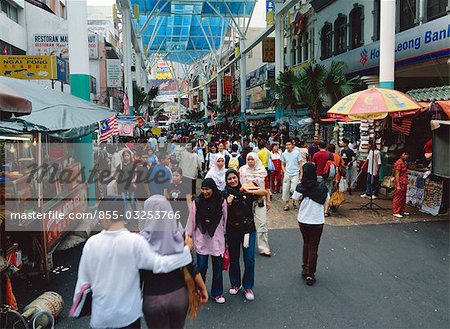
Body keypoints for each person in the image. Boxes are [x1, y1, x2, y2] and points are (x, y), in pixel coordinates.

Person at [73, 196, 193, 329]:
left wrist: (82, 308)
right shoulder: (135, 242)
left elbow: (83, 283)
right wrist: (186, 251)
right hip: (128, 317)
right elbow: (160, 265)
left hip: (101, 317)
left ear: (103, 216)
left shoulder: (91, 244)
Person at [140, 195, 208, 329]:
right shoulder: (180, 235)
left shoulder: (140, 240)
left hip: (153, 298)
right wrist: (203, 288)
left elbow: (137, 274)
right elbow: (191, 266)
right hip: (178, 296)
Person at [223, 169, 267, 301]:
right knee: (234, 259)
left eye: (234, 178)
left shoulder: (245, 189)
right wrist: (227, 203)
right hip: (232, 230)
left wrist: (249, 192)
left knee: (249, 259)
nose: (232, 181)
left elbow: (264, 192)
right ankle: (235, 284)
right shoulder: (224, 194)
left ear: (238, 177)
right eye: (229, 179)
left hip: (248, 229)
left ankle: (248, 286)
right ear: (226, 181)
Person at [186, 179, 228, 304]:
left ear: (213, 189)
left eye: (208, 189)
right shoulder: (197, 202)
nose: (205, 192)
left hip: (217, 238)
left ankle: (217, 292)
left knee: (217, 267)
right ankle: (200, 291)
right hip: (201, 238)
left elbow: (225, 217)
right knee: (202, 267)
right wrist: (188, 236)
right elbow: (192, 220)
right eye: (203, 189)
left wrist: (224, 235)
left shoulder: (221, 201)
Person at [292, 163, 330, 286]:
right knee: (314, 247)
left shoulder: (301, 186)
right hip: (317, 220)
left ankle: (304, 267)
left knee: (306, 243)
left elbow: (295, 197)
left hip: (303, 219)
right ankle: (310, 274)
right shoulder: (322, 187)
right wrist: (325, 211)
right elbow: (327, 199)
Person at [239, 153, 271, 257]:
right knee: (246, 223)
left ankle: (264, 247)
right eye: (248, 159)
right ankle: (245, 244)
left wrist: (268, 201)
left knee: (262, 223)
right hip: (246, 201)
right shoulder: (242, 170)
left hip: (260, 200)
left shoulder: (262, 171)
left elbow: (266, 187)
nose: (250, 161)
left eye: (252, 159)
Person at [281, 141, 302, 211]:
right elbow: (282, 164)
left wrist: (301, 174)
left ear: (292, 145)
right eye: (286, 145)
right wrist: (284, 171)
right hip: (287, 173)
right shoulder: (284, 154)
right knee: (285, 189)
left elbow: (300, 163)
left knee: (293, 189)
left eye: (289, 144)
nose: (288, 146)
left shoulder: (297, 153)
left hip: (295, 173)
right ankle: (286, 204)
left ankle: (294, 200)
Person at [116, 150, 138, 218]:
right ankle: (125, 219)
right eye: (125, 155)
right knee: (124, 202)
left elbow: (136, 174)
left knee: (132, 202)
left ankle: (135, 213)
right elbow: (117, 177)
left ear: (130, 156)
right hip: (122, 187)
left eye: (127, 155)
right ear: (122, 157)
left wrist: (134, 179)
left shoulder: (133, 164)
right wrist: (116, 189)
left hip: (131, 186)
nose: (126, 157)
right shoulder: (120, 166)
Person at [393, 151, 409, 218]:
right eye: (404, 154)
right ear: (401, 155)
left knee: (403, 198)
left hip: (404, 182)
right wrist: (398, 185)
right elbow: (397, 175)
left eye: (407, 154)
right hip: (400, 182)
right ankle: (396, 211)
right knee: (398, 197)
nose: (406, 156)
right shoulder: (399, 163)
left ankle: (401, 210)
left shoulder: (404, 163)